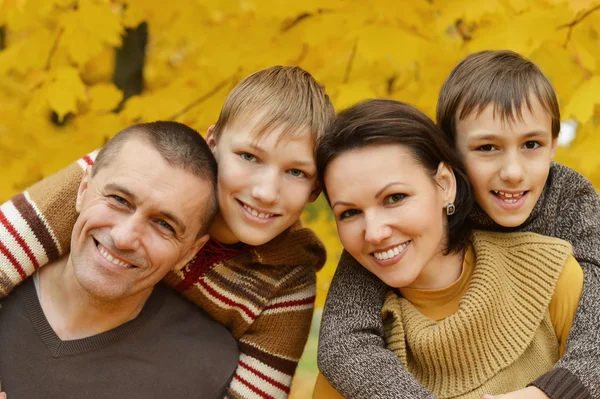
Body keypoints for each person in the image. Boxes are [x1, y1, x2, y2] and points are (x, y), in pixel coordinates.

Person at [0, 65, 335, 398]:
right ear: (213, 142)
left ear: (315, 189)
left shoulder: (286, 282)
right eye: (249, 156)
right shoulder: (131, 172)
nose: (265, 191)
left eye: (295, 172)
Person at [317, 51, 600, 399]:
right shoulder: (380, 243)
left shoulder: (568, 204)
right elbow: (343, 342)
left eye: (531, 144)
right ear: (449, 155)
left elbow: (595, 303)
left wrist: (553, 391)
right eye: (487, 147)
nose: (512, 172)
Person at [0, 121, 240, 398]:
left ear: (190, 252)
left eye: (164, 225)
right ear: (83, 189)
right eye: (119, 200)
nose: (125, 237)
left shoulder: (205, 367)